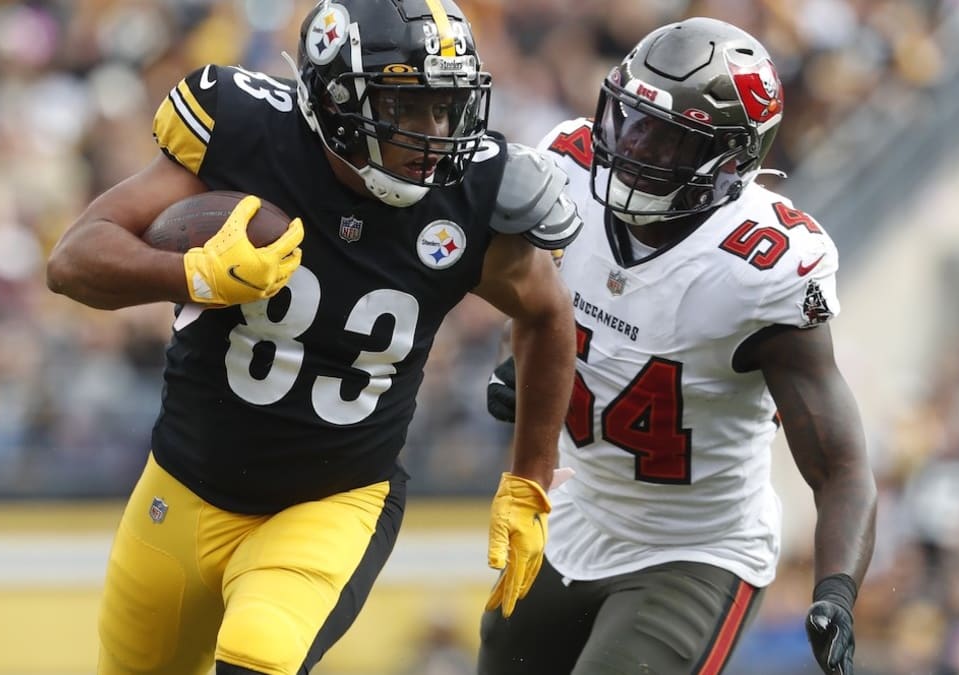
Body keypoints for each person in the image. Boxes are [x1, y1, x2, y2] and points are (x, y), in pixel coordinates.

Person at [45, 1, 581, 673]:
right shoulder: (249, 140)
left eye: (445, 107)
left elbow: (547, 312)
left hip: (332, 500)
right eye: (405, 107)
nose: (432, 132)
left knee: (259, 656)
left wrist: (528, 479)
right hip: (182, 487)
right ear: (334, 100)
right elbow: (73, 260)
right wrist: (193, 273)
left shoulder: (472, 195)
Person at [479, 17, 877, 675]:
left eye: (665, 140)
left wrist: (836, 589)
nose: (631, 145)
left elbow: (841, 466)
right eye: (629, 118)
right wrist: (524, 363)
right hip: (575, 512)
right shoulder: (567, 170)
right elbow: (540, 302)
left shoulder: (764, 267)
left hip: (693, 549)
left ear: (727, 162)